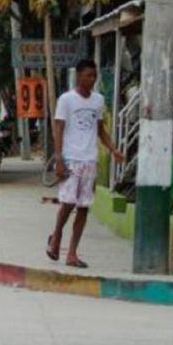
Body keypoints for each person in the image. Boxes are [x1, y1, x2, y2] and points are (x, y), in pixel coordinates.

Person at [47, 59, 124, 269]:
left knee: (83, 207)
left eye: (94, 75)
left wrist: (113, 149)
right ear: (79, 75)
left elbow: (100, 130)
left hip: (90, 159)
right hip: (71, 159)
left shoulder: (98, 101)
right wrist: (59, 158)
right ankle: (57, 236)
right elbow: (59, 129)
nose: (92, 79)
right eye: (88, 75)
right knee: (68, 203)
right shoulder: (66, 100)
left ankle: (72, 253)